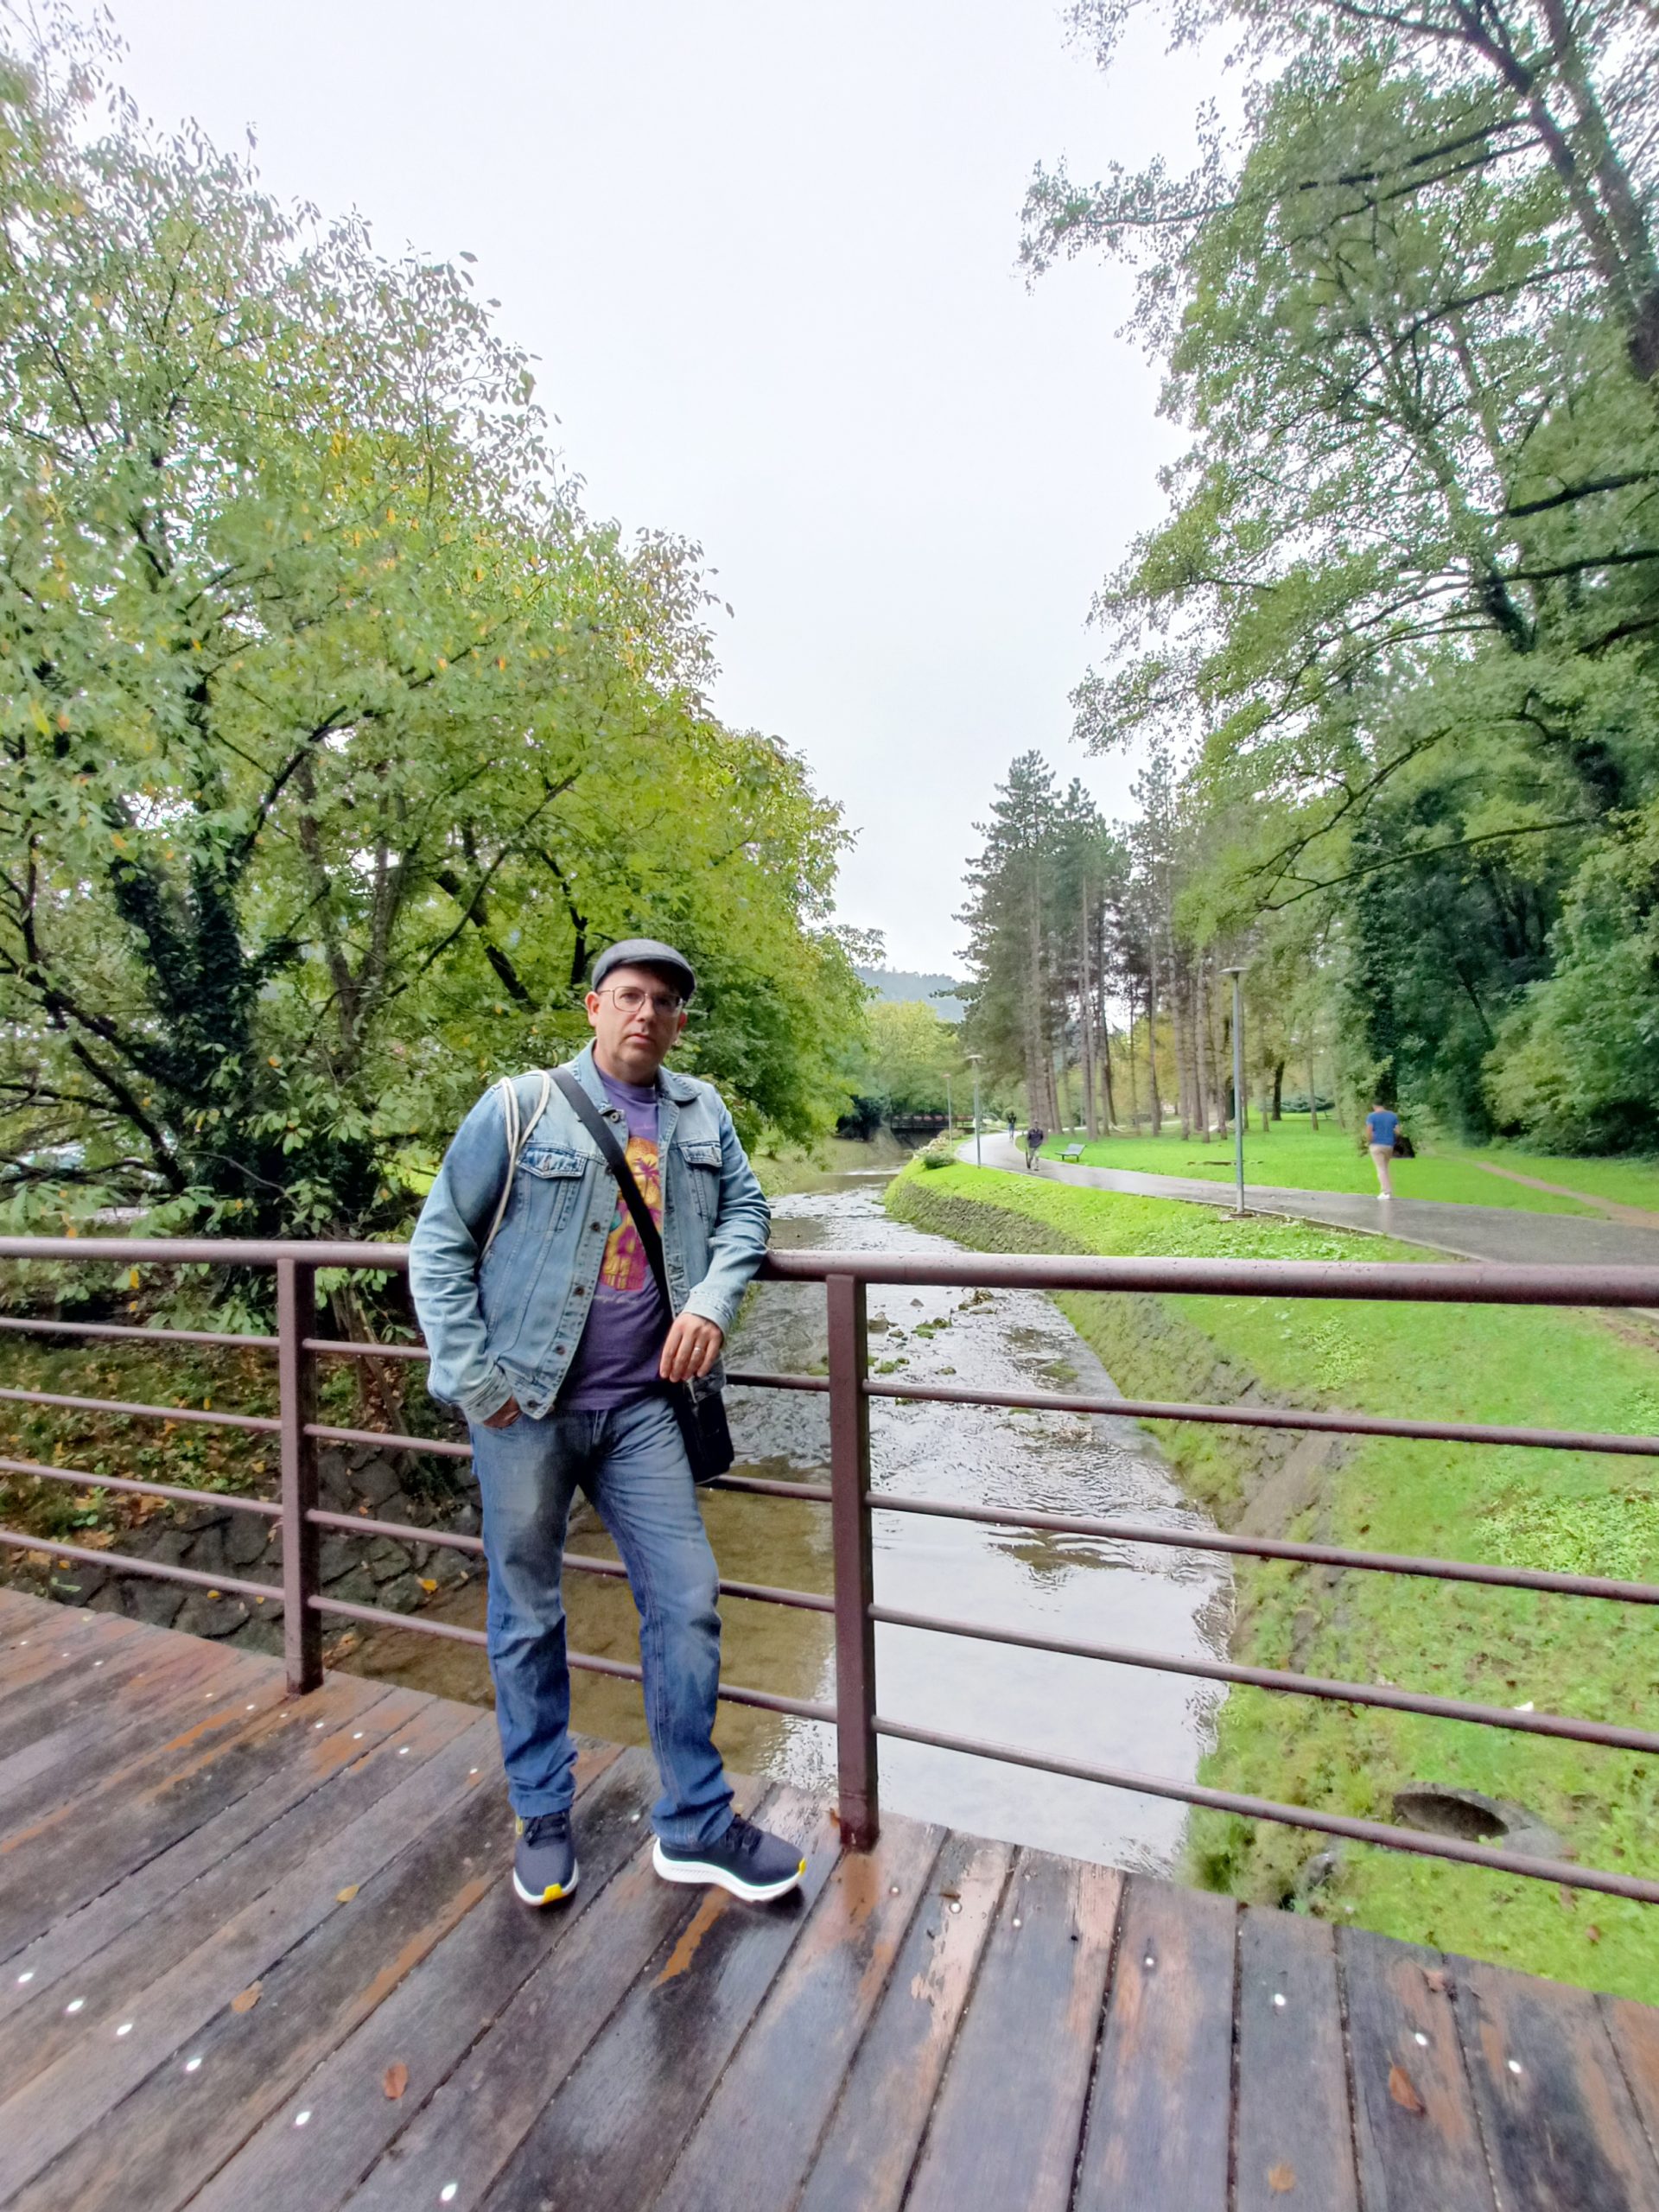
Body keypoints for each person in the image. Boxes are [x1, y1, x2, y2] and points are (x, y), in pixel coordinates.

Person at [409, 938, 804, 1911]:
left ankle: (697, 1824)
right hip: (524, 1406)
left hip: (644, 1410)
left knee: (688, 1599)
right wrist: (477, 1383)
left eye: (664, 1002)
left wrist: (712, 1300)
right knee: (529, 1612)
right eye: (629, 995)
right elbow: (439, 1245)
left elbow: (747, 1214)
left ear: (679, 1022)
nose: (646, 1013)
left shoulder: (702, 1112)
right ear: (593, 1007)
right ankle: (543, 1812)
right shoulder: (520, 1107)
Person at [1364, 1099, 1402, 1198]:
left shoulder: (1371, 1116)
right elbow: (1398, 1131)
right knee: (1385, 1168)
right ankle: (1385, 1191)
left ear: (1374, 1105)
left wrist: (1369, 1141)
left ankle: (1386, 1192)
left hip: (1376, 1145)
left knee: (1380, 1169)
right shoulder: (1392, 1116)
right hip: (1389, 1145)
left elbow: (1369, 1131)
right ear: (1383, 1105)